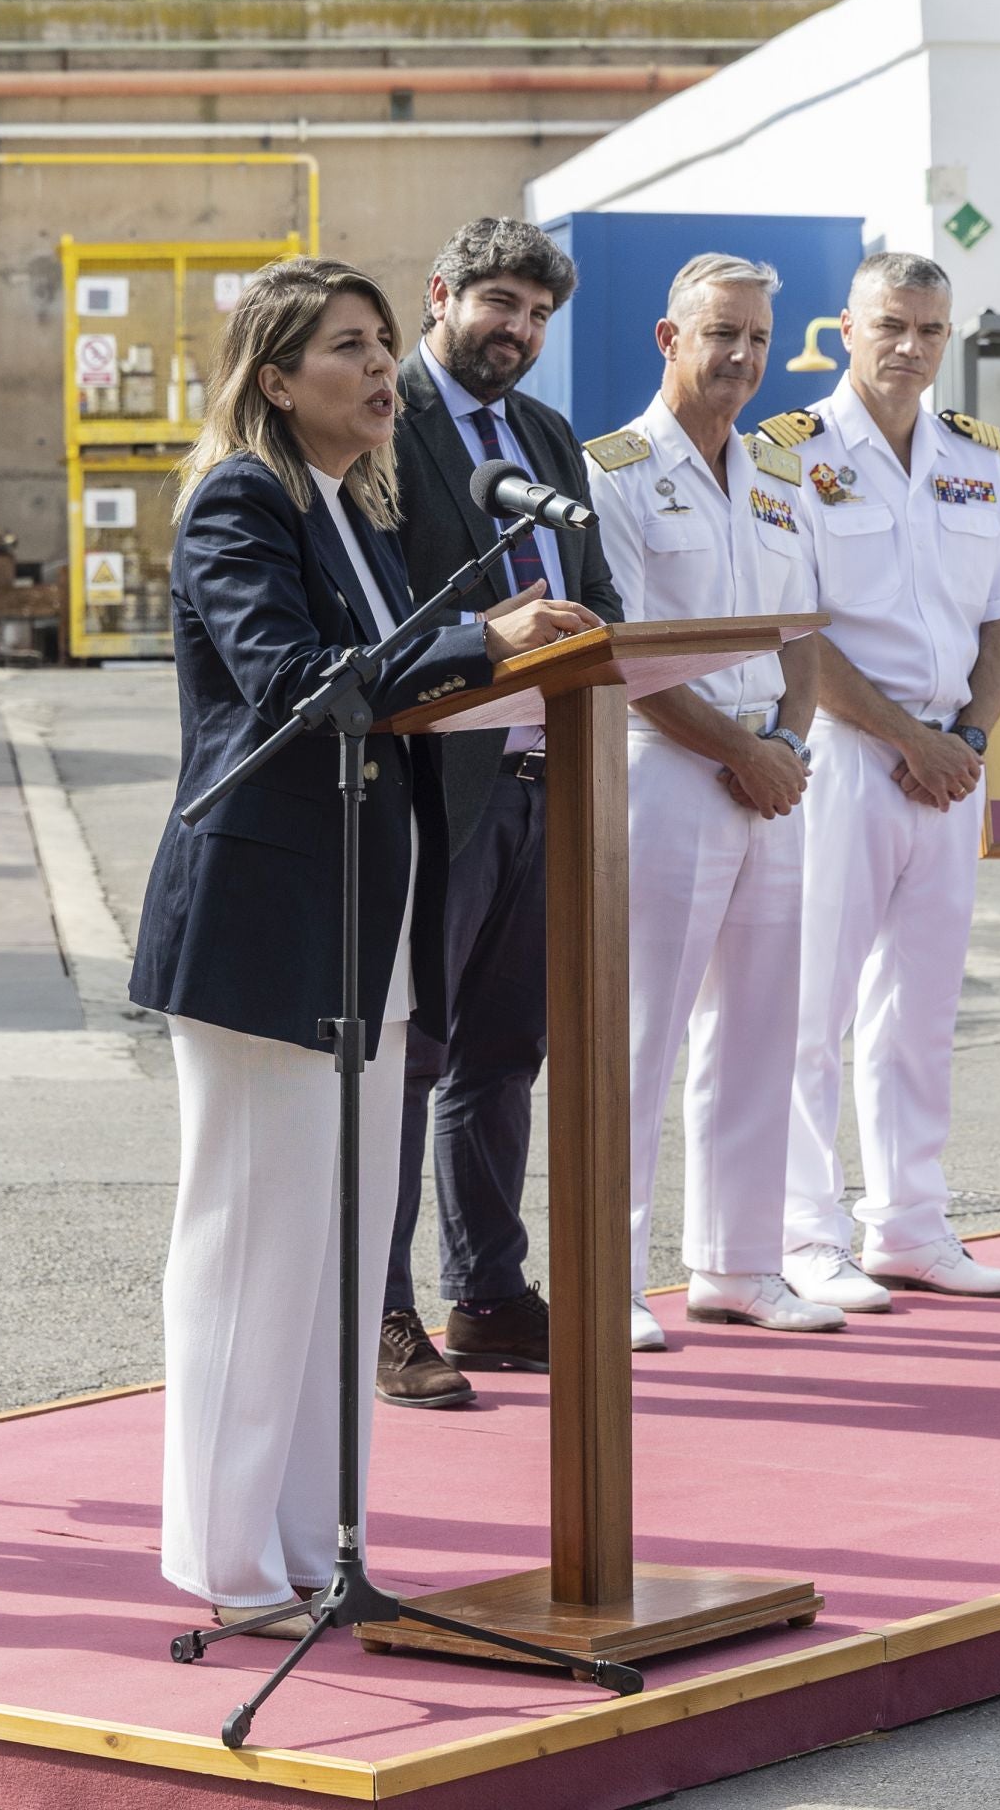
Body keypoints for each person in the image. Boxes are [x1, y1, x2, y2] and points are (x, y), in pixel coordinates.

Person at [129, 256, 588, 1635]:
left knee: (335, 1253)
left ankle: (313, 1553)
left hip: (365, 925)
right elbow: (294, 687)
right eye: (349, 346)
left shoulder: (355, 507)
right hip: (267, 925)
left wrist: (512, 661)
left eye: (388, 343)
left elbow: (396, 698)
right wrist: (477, 635)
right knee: (250, 1239)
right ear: (277, 378)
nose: (384, 368)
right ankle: (222, 1564)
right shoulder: (242, 501)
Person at [376, 219, 618, 1409]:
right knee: (407, 1062)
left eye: (535, 315)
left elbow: (602, 598)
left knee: (503, 1054)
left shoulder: (545, 437)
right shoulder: (388, 423)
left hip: (539, 784)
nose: (516, 331)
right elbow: (372, 614)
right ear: (442, 292)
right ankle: (384, 1312)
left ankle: (488, 1294)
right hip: (432, 792)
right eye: (500, 304)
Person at [585, 251, 845, 1353]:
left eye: (753, 339)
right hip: (666, 769)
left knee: (759, 1027)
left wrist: (783, 742)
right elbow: (621, 650)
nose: (739, 358)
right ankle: (606, 1279)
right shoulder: (612, 469)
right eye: (718, 335)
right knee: (635, 1036)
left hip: (772, 779)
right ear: (667, 340)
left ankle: (738, 1264)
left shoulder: (777, 475)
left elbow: (802, 634)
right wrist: (743, 749)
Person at [764, 251, 1000, 1312]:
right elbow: (793, 632)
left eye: (927, 329)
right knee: (808, 1008)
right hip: (839, 762)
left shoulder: (975, 459)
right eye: (888, 326)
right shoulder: (788, 456)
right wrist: (904, 740)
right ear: (842, 327)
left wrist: (965, 736)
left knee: (918, 1010)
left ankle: (909, 1225)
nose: (908, 348)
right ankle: (801, 1233)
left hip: (945, 768)